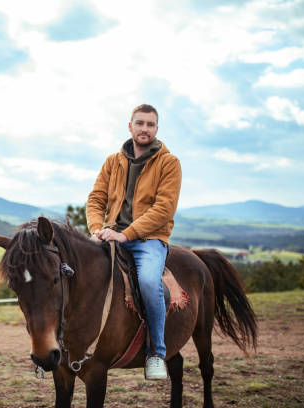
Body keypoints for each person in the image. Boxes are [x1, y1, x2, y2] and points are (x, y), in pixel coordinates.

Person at [86, 104, 182, 380]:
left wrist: (126, 234)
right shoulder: (112, 161)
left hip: (148, 240)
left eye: (150, 124)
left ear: (156, 129)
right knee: (73, 269)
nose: (144, 129)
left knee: (150, 283)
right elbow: (96, 199)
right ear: (130, 126)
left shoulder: (169, 163)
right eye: (140, 123)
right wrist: (95, 228)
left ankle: (156, 354)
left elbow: (164, 208)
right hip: (109, 233)